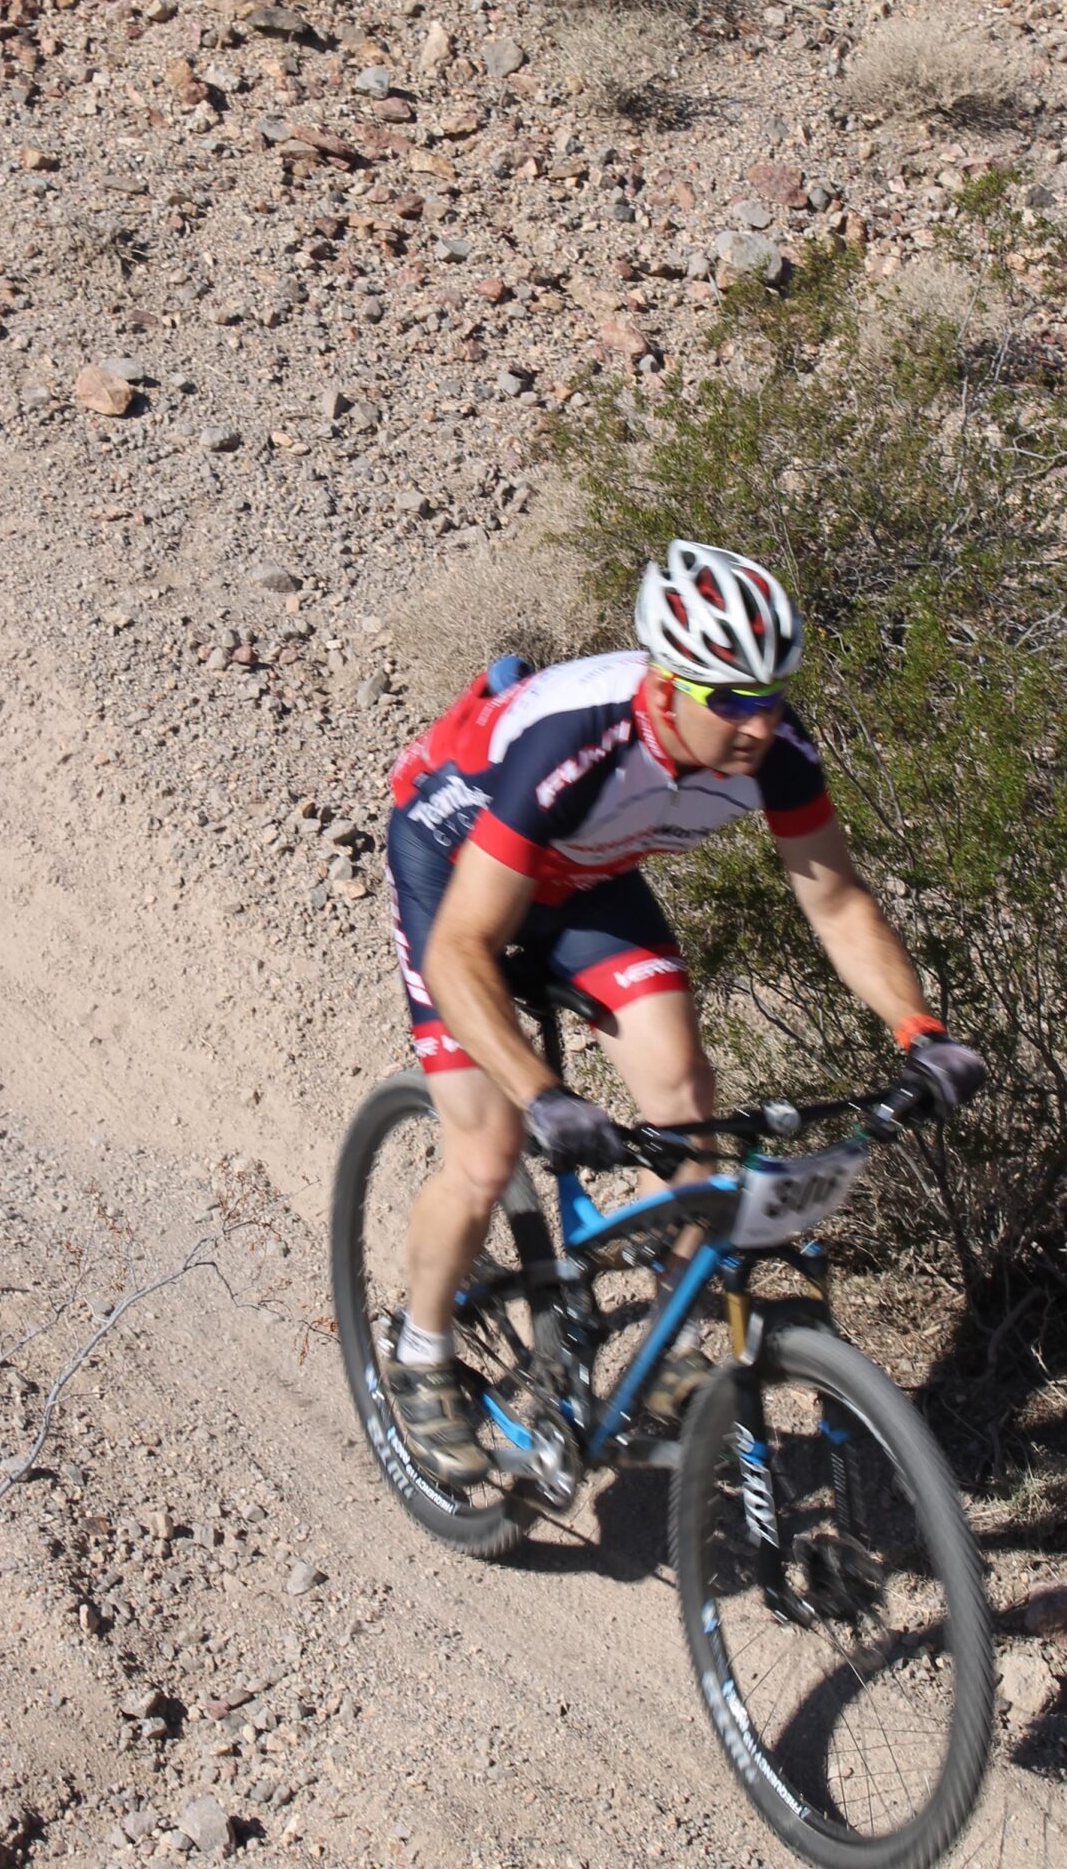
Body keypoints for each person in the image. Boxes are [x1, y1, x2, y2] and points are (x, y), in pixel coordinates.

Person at [382, 537, 986, 1486]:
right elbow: (463, 950)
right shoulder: (573, 739)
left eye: (771, 694)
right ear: (666, 687)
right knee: (488, 1147)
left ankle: (669, 1347)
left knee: (688, 1106)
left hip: (583, 878)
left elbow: (835, 902)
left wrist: (922, 1031)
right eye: (731, 701)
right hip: (455, 866)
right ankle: (418, 1355)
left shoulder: (774, 752)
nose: (756, 723)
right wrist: (543, 1095)